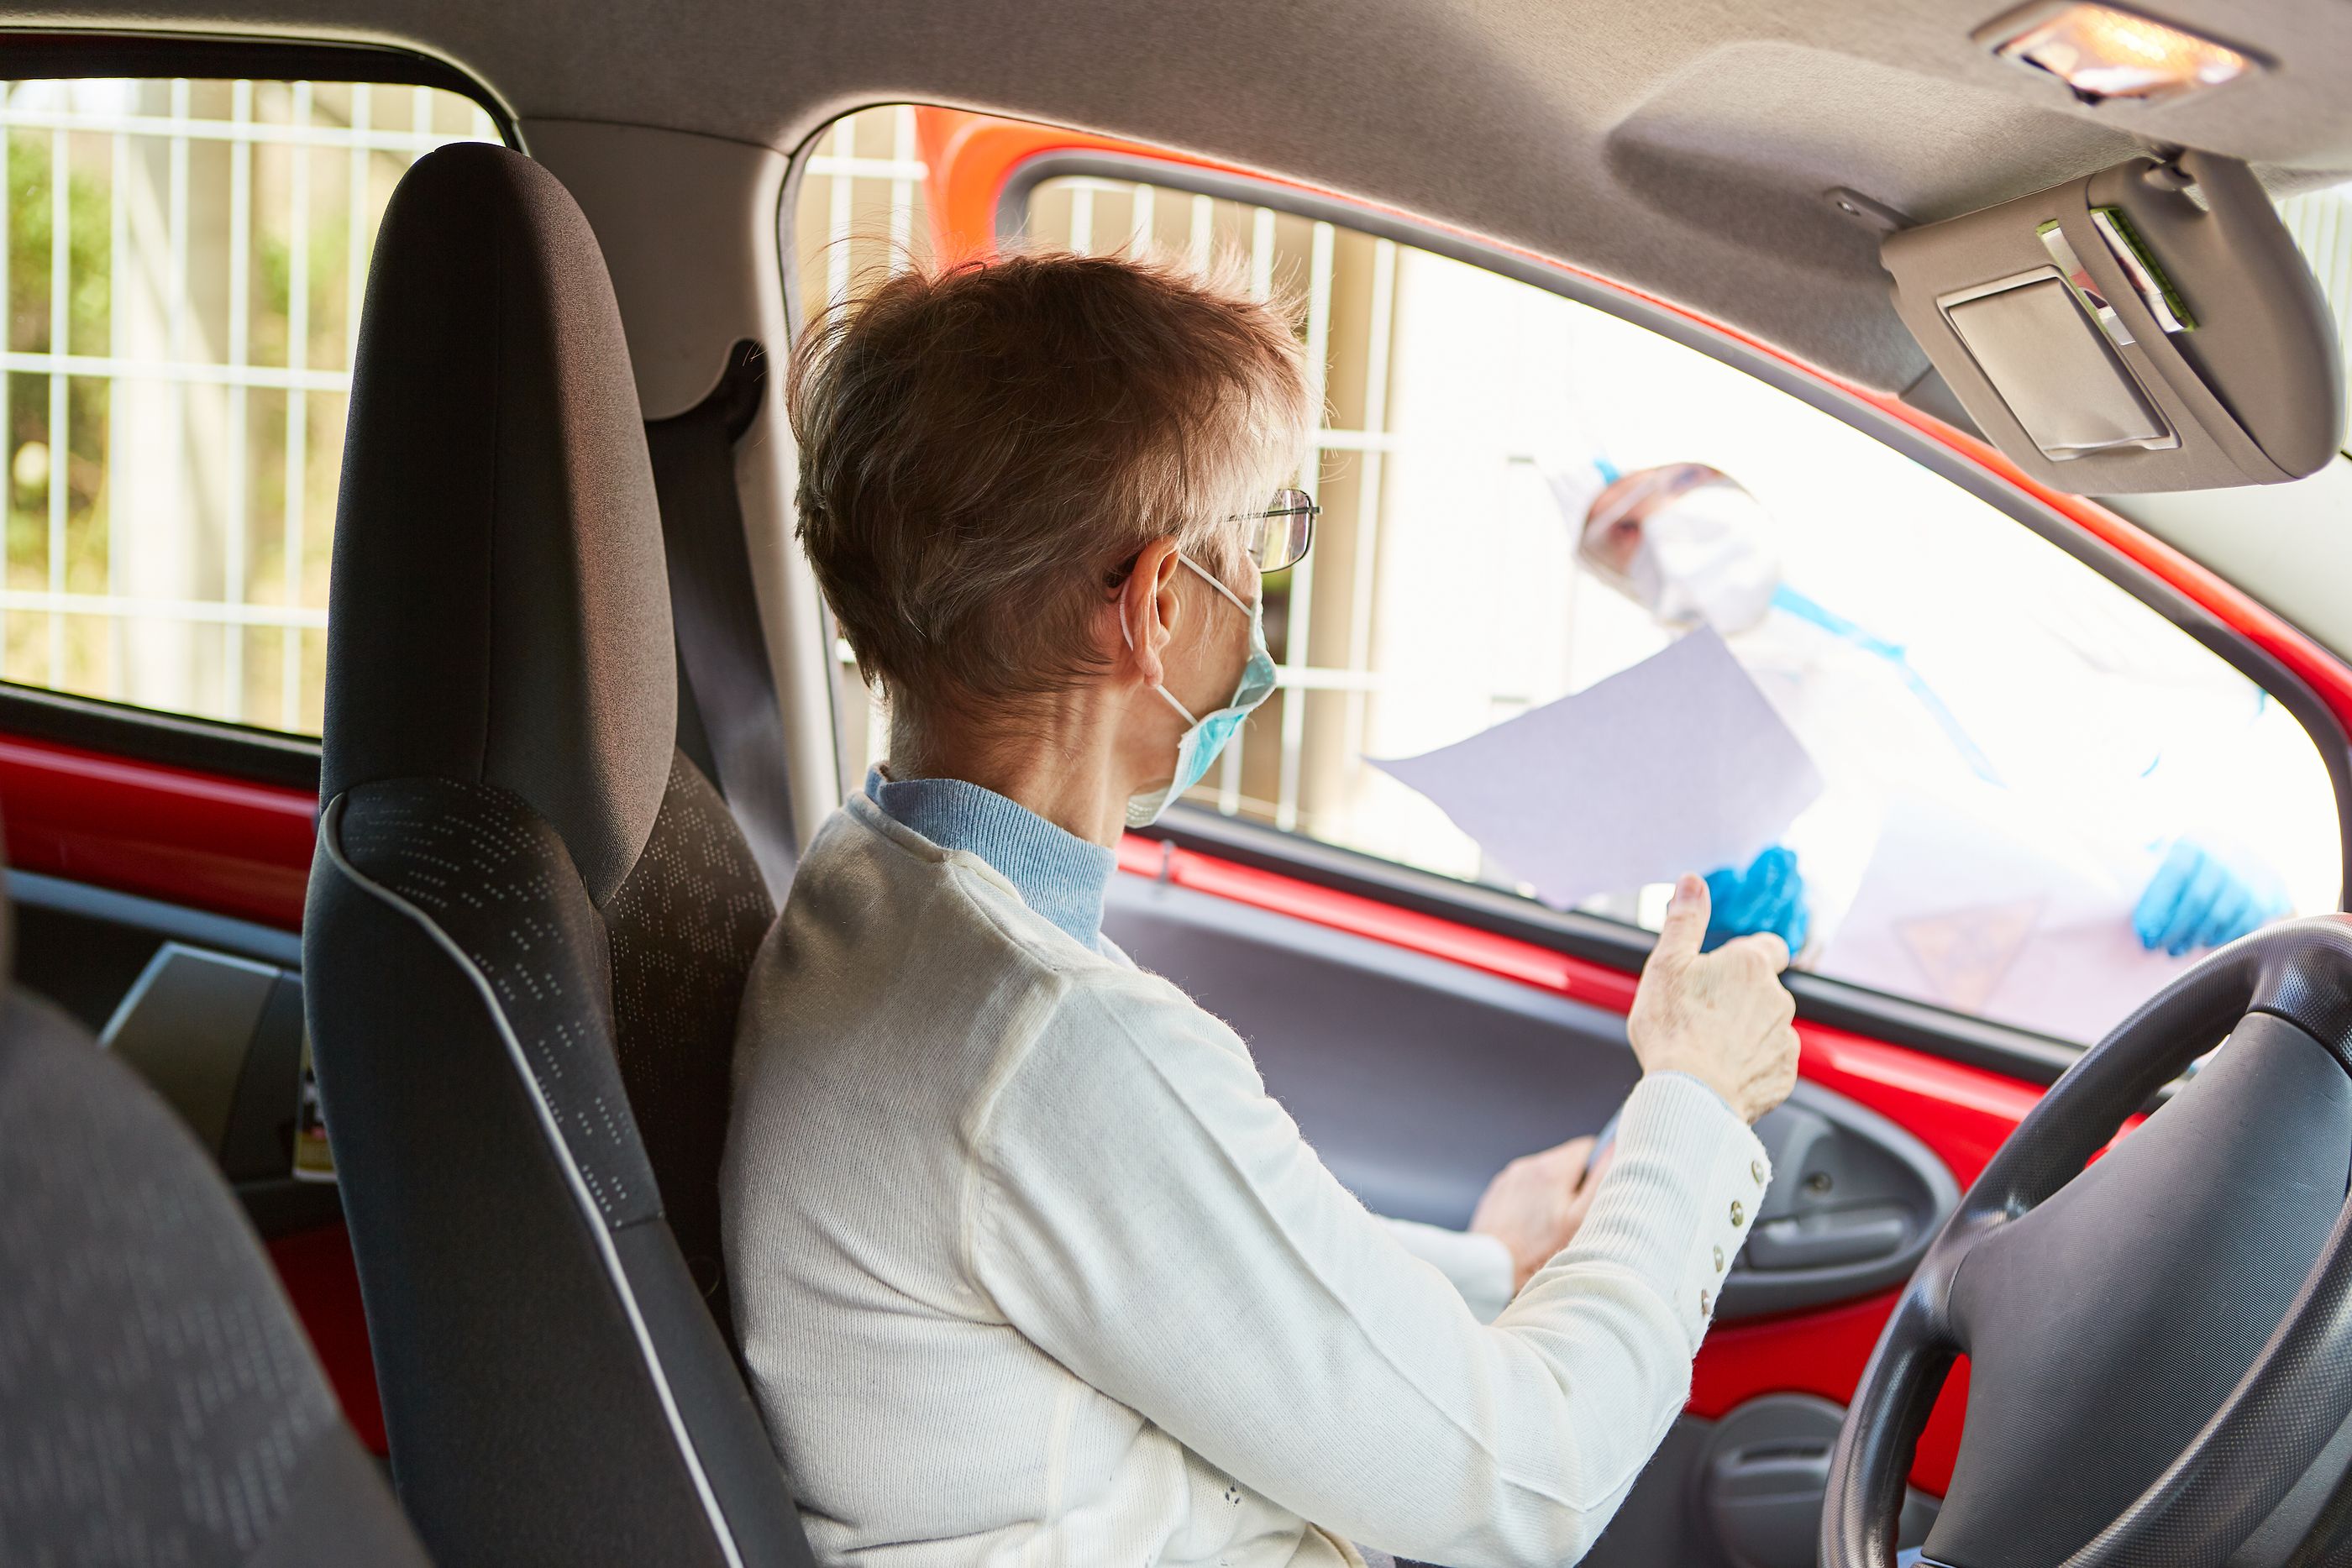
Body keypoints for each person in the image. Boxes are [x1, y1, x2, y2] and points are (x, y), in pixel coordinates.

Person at [722, 251, 1803, 1568]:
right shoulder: (1048, 1040)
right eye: (1264, 541)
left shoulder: (876, 891)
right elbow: (1542, 1482)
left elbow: (1146, 1281)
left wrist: (1481, 1263)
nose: (1264, 602)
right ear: (1157, 602)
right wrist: (1694, 1098)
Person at [1545, 458, 2291, 964]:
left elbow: (2232, 672)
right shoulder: (1711, 735)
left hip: (2222, 933)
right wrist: (1777, 934)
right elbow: (1858, 931)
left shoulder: (1963, 524)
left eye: (1664, 491)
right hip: (2053, 1019)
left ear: (1714, 471)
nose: (1660, 539)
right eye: (1619, 537)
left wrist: (2238, 838)